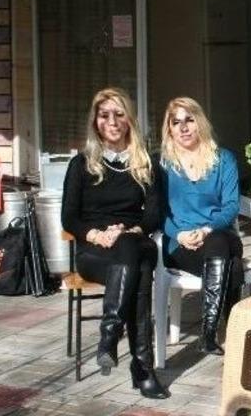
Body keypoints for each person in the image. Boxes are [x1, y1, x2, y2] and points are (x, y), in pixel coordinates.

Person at [61, 87, 170, 399]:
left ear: (129, 120)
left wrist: (127, 230)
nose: (112, 121)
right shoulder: (81, 164)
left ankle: (110, 336)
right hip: (94, 251)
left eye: (119, 114)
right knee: (138, 275)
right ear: (96, 121)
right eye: (105, 114)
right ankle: (143, 369)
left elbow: (153, 216)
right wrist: (96, 235)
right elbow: (69, 219)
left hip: (132, 239)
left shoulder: (146, 164)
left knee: (130, 249)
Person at [159, 96, 242, 355]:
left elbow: (230, 206)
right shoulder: (161, 164)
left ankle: (208, 332)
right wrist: (180, 234)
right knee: (234, 266)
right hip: (179, 244)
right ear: (169, 128)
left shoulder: (223, 159)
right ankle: (233, 333)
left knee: (218, 241)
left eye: (189, 120)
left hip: (217, 235)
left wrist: (207, 229)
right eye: (176, 122)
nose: (183, 127)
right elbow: (157, 212)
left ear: (200, 123)